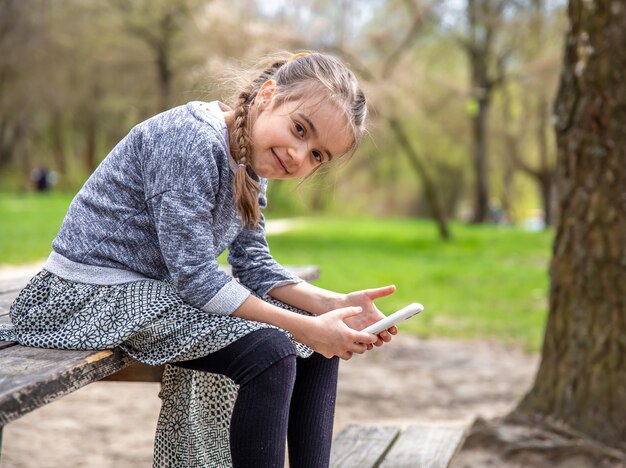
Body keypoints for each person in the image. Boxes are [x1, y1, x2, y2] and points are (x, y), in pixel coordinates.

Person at [3, 51, 397, 467]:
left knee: (316, 347)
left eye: (317, 155)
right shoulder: (189, 140)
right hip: (85, 295)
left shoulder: (252, 163)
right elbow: (196, 279)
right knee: (274, 350)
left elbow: (253, 264)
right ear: (267, 96)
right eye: (300, 129)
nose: (300, 155)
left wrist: (333, 307)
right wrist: (306, 325)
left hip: (152, 293)